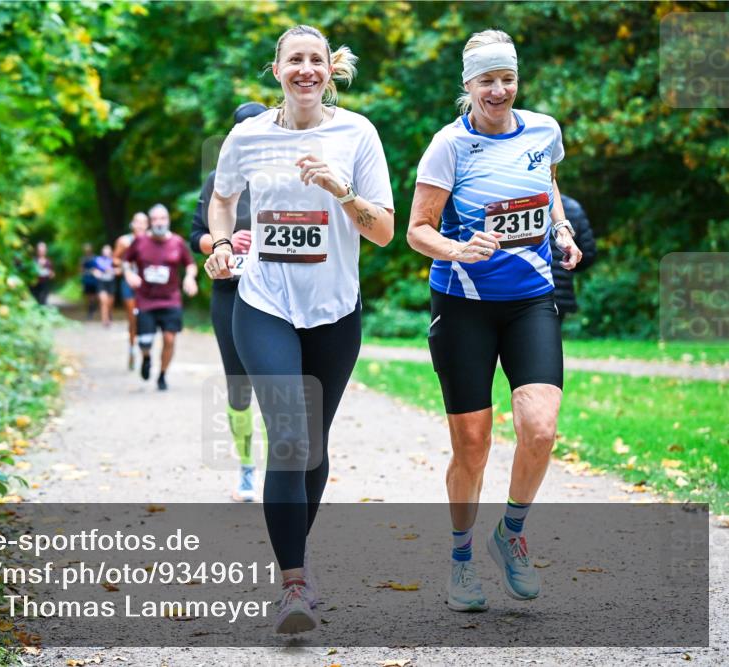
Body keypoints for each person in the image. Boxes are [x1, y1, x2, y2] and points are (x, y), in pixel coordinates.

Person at [205, 25, 393, 634]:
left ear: (330, 70)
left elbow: (384, 230)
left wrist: (342, 191)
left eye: (316, 60)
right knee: (287, 434)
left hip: (336, 309)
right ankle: (295, 584)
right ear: (277, 69)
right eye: (295, 60)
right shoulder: (248, 135)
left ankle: (296, 557)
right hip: (262, 302)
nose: (306, 69)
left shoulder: (357, 133)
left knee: (312, 445)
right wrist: (221, 248)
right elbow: (221, 197)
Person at [405, 29, 583, 613]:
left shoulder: (544, 131)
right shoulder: (448, 146)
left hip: (532, 297)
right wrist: (457, 250)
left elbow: (549, 186)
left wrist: (560, 229)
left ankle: (510, 533)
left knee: (539, 428)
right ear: (468, 85)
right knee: (474, 445)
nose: (499, 90)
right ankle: (460, 562)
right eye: (488, 80)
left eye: (507, 79)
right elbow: (418, 230)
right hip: (463, 306)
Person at [191, 101, 268, 503]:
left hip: (276, 291)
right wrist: (223, 241)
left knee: (279, 383)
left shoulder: (282, 174)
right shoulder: (216, 180)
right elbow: (196, 237)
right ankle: (245, 468)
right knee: (239, 386)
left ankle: (285, 473)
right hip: (229, 291)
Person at [123, 204, 198, 391]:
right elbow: (125, 261)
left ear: (168, 220)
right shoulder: (140, 241)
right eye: (155, 219)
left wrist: (189, 278)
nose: (159, 222)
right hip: (146, 299)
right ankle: (146, 358)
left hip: (170, 299)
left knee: (170, 339)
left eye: (162, 218)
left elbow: (190, 264)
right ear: (150, 222)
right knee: (145, 342)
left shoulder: (177, 242)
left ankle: (162, 375)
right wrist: (129, 274)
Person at [551, 194, 597, 323]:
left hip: (529, 288)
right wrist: (569, 266)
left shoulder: (526, 203)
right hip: (560, 292)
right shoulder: (573, 207)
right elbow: (588, 254)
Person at [114, 212, 149, 369]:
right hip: (129, 283)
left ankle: (145, 351)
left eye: (143, 222)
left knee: (146, 317)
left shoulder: (151, 240)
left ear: (148, 224)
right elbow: (115, 259)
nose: (140, 225)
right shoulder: (124, 241)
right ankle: (131, 349)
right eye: (137, 222)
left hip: (147, 284)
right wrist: (124, 268)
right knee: (133, 319)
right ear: (132, 224)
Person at [93, 244, 117, 327]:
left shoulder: (114, 260)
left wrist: (114, 271)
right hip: (101, 283)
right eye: (104, 250)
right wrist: (96, 273)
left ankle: (109, 315)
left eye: (108, 250)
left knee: (110, 302)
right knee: (104, 301)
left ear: (111, 251)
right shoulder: (98, 260)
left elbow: (121, 269)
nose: (106, 252)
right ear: (102, 252)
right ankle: (104, 320)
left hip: (111, 283)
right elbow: (94, 270)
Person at [31, 241, 55, 306]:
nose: (41, 252)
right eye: (40, 250)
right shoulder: (33, 261)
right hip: (35, 285)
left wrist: (51, 274)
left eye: (43, 250)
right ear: (37, 251)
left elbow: (52, 274)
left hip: (45, 285)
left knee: (43, 302)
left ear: (45, 251)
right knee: (36, 301)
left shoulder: (49, 262)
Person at [80, 243, 98, 320]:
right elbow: (80, 269)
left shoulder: (95, 258)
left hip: (94, 279)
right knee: (88, 295)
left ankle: (92, 307)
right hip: (87, 279)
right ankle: (90, 308)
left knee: (94, 295)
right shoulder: (83, 259)